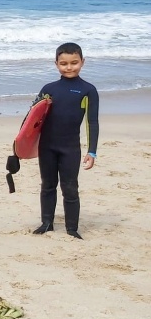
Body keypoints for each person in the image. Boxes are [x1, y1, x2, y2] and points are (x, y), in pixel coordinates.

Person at [32, 42, 99, 239]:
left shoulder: (88, 90)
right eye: (64, 63)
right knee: (47, 185)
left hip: (70, 148)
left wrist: (92, 150)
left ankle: (72, 228)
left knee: (70, 187)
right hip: (47, 146)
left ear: (82, 62)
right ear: (56, 64)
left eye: (74, 62)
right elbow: (33, 120)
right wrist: (21, 147)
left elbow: (92, 122)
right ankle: (46, 223)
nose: (69, 67)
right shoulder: (48, 89)